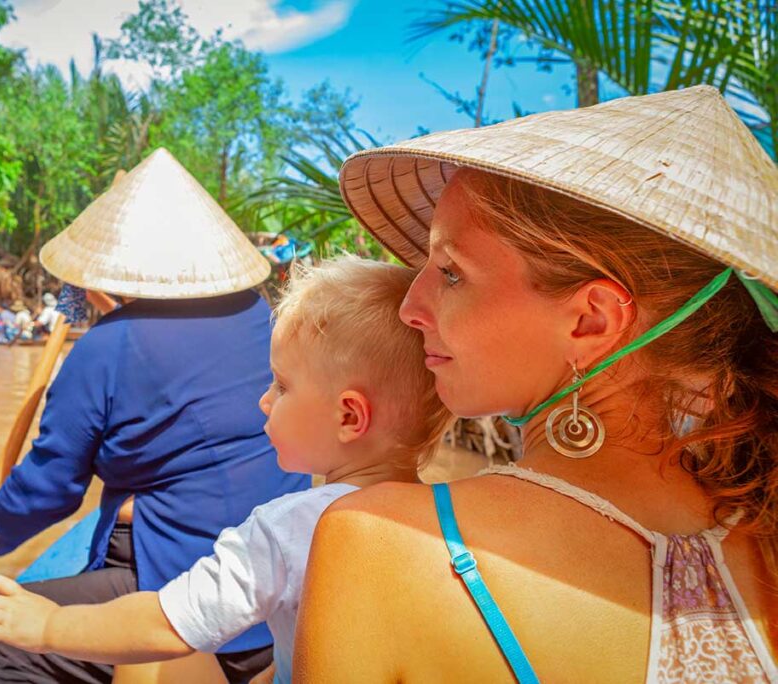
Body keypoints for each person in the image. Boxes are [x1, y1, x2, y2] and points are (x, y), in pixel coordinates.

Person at [294, 86, 778, 682]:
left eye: (451, 272)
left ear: (591, 320)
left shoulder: (384, 543)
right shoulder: (763, 540)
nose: (410, 307)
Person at [0, 258, 453, 684]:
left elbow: (164, 624)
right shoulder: (450, 514)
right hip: (260, 640)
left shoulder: (288, 530)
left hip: (182, 596)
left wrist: (46, 626)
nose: (263, 400)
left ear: (348, 417)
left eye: (280, 386)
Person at [0, 148, 310, 683]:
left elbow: (50, 490)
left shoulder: (106, 348)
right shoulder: (259, 313)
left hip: (185, 599)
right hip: (274, 583)